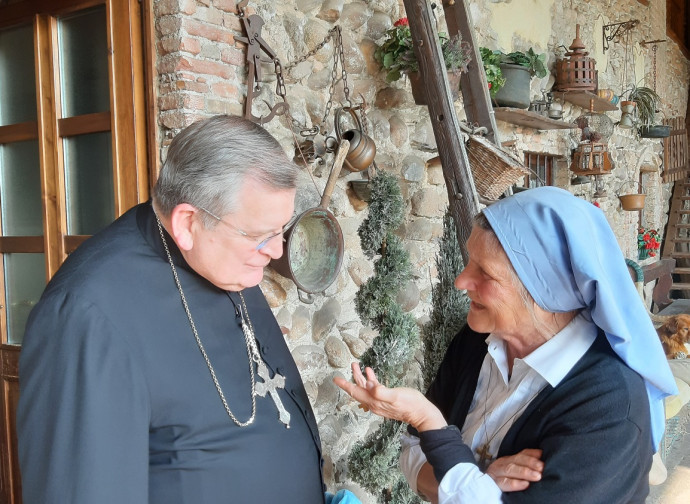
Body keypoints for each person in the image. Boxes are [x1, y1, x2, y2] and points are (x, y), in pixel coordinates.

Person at [17, 115, 358, 504]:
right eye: (261, 236)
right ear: (187, 223)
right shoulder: (85, 319)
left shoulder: (223, 261)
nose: (277, 252)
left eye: (280, 231)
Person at [335, 186, 677, 503]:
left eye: (485, 272)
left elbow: (426, 441)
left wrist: (431, 424)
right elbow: (411, 451)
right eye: (469, 260)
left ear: (546, 290)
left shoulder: (610, 409)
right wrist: (478, 482)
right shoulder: (476, 341)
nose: (461, 280)